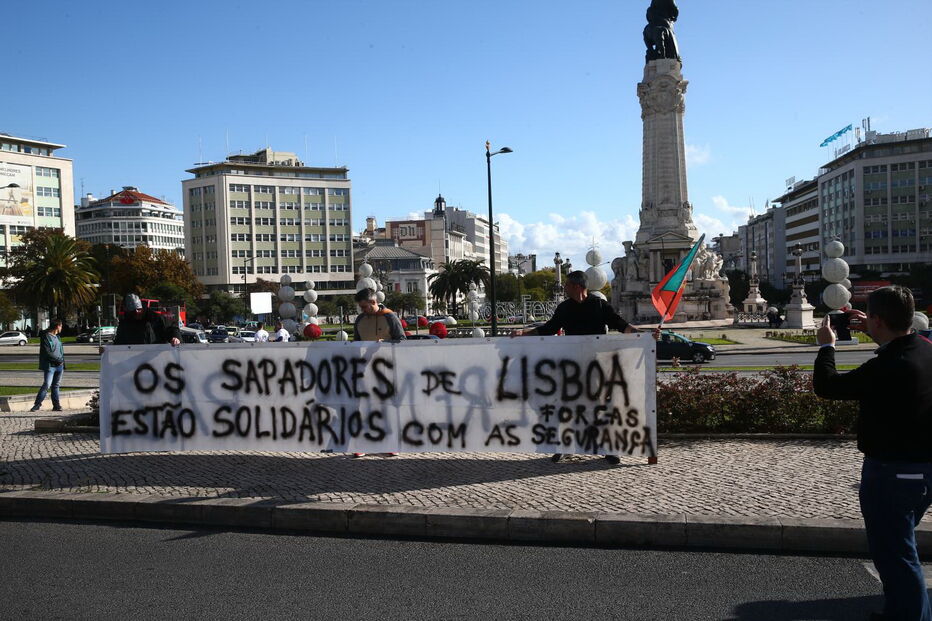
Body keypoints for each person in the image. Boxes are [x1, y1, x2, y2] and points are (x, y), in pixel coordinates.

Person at [814, 286, 932, 621]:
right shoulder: (924, 347)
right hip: (921, 470)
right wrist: (875, 327)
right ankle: (901, 611)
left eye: (871, 318)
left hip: (892, 473)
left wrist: (826, 347)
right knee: (900, 548)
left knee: (897, 555)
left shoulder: (890, 366)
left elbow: (828, 386)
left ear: (879, 320)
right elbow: (898, 339)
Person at [512, 270, 661, 465]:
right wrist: (523, 333)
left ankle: (609, 448)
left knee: (599, 407)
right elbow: (548, 329)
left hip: (596, 367)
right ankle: (566, 446)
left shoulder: (599, 305)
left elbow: (620, 325)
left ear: (577, 286)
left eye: (566, 285)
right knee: (568, 406)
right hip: (571, 366)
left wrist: (646, 335)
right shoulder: (564, 308)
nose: (564, 288)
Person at [352, 287, 405, 457]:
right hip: (365, 371)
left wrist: (386, 342)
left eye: (365, 307)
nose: (362, 310)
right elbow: (356, 344)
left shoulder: (390, 317)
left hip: (388, 370)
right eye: (361, 307)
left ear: (374, 302)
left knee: (389, 408)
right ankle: (363, 444)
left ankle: (392, 443)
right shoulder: (360, 320)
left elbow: (402, 341)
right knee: (363, 408)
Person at [113, 294, 181, 346]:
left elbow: (171, 328)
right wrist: (106, 351)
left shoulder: (155, 318)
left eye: (139, 309)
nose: (137, 312)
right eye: (133, 311)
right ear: (128, 311)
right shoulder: (125, 324)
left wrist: (175, 337)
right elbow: (118, 342)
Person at [30, 319, 65, 412]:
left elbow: (60, 350)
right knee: (47, 385)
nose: (62, 328)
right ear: (57, 326)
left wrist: (62, 361)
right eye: (61, 326)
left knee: (56, 386)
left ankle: (56, 406)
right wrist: (58, 360)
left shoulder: (57, 337)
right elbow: (47, 352)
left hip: (59, 366)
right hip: (51, 366)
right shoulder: (46, 337)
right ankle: (37, 405)